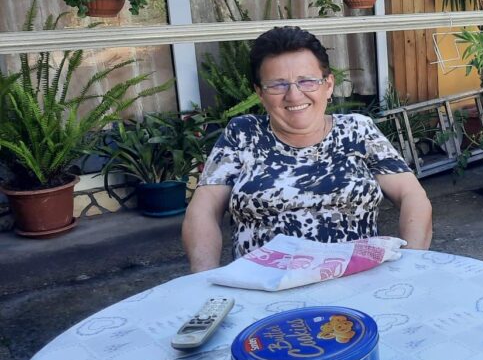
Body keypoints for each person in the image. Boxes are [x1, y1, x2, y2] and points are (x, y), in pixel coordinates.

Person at [182, 26, 432, 272]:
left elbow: (412, 196)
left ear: (329, 84)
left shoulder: (358, 130)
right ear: (259, 92)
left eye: (307, 81)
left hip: (355, 284)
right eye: (278, 85)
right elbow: (204, 208)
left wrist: (409, 267)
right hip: (263, 289)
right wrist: (205, 278)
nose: (294, 95)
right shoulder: (243, 134)